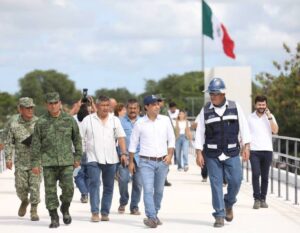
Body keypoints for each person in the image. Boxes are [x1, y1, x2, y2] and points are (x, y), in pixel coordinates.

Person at [194, 77, 251, 228]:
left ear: (223, 94)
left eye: (215, 93)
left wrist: (246, 146)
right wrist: (198, 152)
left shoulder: (235, 107)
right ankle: (219, 214)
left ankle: (228, 203)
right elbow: (200, 132)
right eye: (211, 94)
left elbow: (244, 127)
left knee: (236, 180)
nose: (212, 96)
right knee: (216, 184)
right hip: (212, 154)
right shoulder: (205, 110)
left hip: (231, 152)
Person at [31, 92, 82, 228]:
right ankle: (53, 216)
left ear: (60, 103)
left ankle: (65, 208)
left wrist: (77, 157)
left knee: (69, 189)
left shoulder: (69, 120)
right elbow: (35, 144)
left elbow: (77, 139)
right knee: (50, 192)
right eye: (50, 103)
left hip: (66, 162)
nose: (53, 106)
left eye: (55, 103)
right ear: (46, 105)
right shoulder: (41, 122)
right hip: (48, 163)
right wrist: (35, 164)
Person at [128, 95, 175, 228]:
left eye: (158, 104)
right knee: (148, 190)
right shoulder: (139, 123)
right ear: (146, 107)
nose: (157, 106)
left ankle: (155, 213)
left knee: (159, 191)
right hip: (145, 162)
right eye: (153, 104)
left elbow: (171, 139)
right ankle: (152, 217)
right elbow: (133, 144)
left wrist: (170, 155)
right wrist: (131, 162)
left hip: (162, 162)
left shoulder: (165, 120)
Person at [80, 95, 127, 222]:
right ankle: (95, 212)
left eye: (108, 105)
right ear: (97, 106)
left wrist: (123, 153)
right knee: (94, 184)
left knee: (109, 186)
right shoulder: (88, 120)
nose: (105, 108)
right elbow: (80, 138)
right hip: (92, 157)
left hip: (111, 159)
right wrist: (81, 154)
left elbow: (121, 137)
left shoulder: (115, 120)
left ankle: (105, 212)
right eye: (103, 105)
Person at [5, 97, 41, 221]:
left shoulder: (39, 123)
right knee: (20, 187)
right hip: (20, 161)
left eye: (32, 107)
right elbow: (9, 142)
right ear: (20, 109)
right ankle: (24, 200)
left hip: (36, 161)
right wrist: (8, 158)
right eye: (27, 108)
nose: (30, 110)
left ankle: (34, 210)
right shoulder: (14, 124)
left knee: (35, 186)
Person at [248, 95, 279, 209]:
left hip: (267, 150)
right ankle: (256, 199)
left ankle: (263, 199)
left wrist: (269, 116)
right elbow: (245, 134)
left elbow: (275, 131)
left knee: (265, 176)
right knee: (256, 174)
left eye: (263, 104)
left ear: (266, 105)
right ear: (255, 105)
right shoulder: (250, 117)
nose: (261, 106)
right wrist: (245, 148)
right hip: (254, 150)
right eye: (259, 104)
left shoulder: (270, 117)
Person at [117, 99, 142, 215]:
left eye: (135, 108)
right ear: (127, 109)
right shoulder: (120, 122)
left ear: (139, 109)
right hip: (124, 156)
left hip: (140, 157)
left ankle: (134, 206)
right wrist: (121, 154)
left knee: (137, 183)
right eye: (130, 108)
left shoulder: (143, 122)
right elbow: (116, 139)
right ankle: (123, 201)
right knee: (123, 180)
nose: (132, 110)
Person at [157, 97, 172, 186]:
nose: (160, 103)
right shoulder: (152, 110)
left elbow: (169, 125)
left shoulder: (165, 111)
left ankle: (164, 179)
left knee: (165, 159)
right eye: (159, 101)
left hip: (164, 139)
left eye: (161, 101)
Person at [191, 113, 208, 182]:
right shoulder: (202, 114)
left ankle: (224, 180)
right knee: (203, 159)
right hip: (203, 142)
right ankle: (204, 175)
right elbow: (193, 125)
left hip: (216, 142)